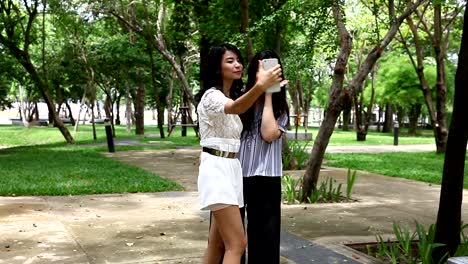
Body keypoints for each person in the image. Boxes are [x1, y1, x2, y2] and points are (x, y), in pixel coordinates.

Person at [195, 43, 282, 264]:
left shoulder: (232, 94)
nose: (237, 65)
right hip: (217, 169)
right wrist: (261, 86)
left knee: (218, 244)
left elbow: (260, 124)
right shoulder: (211, 96)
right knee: (237, 244)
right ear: (217, 67)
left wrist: (267, 90)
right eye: (229, 61)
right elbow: (235, 108)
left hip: (233, 169)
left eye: (238, 60)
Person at [234, 49, 290, 264]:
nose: (266, 73)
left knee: (265, 238)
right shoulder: (239, 99)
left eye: (270, 69)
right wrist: (258, 89)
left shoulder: (279, 106)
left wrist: (267, 93)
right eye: (261, 69)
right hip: (236, 175)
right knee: (232, 237)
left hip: (266, 177)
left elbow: (268, 134)